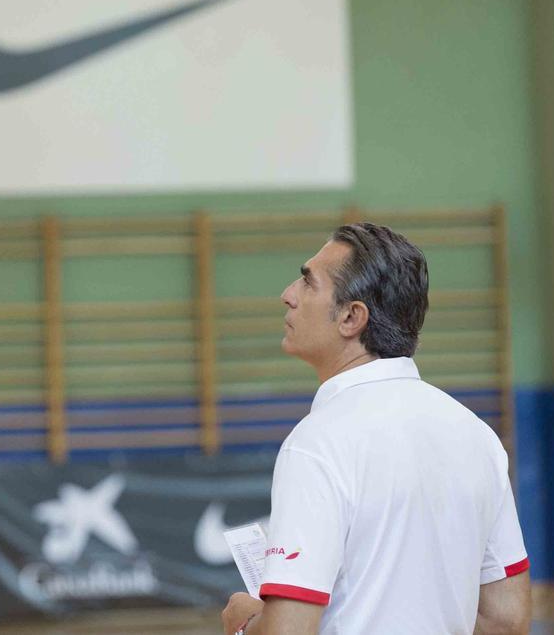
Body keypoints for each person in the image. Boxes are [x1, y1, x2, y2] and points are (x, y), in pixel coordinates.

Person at [221, 223, 530, 634]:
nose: (288, 294)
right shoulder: (476, 435)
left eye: (308, 283)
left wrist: (244, 622)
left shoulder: (318, 444)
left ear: (352, 317)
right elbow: (507, 620)